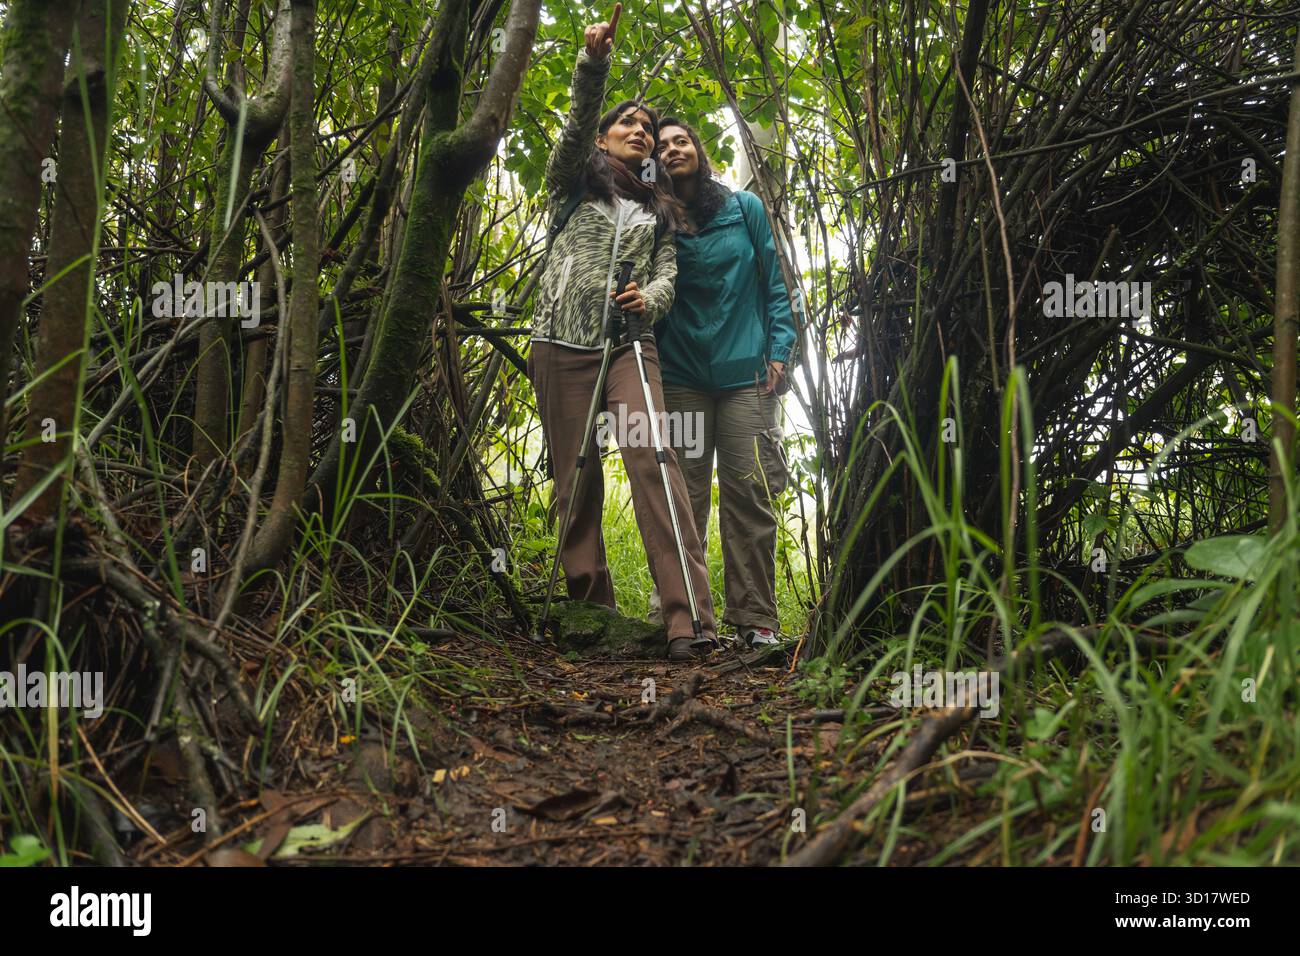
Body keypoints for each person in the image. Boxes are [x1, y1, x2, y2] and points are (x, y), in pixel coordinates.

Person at [528, 5, 719, 661]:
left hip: (629, 348)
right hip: (559, 343)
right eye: (629, 124)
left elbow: (668, 276)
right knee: (574, 480)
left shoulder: (658, 209)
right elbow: (575, 125)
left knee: (655, 463)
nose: (641, 131)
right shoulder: (570, 182)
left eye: (649, 127)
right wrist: (593, 64)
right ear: (605, 138)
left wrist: (650, 299)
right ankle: (591, 612)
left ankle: (687, 620)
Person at [650, 117, 796, 649]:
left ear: (698, 149)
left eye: (681, 140)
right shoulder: (655, 219)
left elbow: (777, 283)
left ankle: (756, 620)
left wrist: (780, 350)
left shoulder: (745, 208)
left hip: (746, 377)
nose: (673, 149)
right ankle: (682, 618)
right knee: (683, 498)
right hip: (682, 376)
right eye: (662, 146)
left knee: (750, 494)